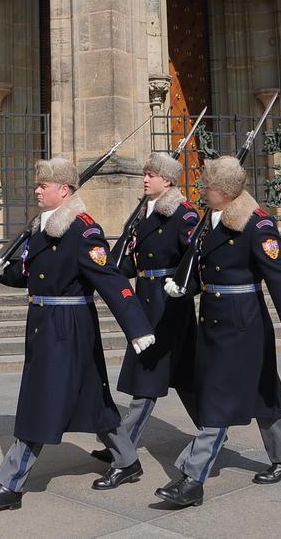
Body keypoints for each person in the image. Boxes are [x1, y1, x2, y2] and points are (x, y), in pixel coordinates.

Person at [0, 157, 157, 512]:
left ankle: (9, 485)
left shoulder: (82, 230)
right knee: (94, 403)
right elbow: (27, 274)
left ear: (64, 190)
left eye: (45, 185)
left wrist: (138, 327)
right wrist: (0, 270)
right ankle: (127, 461)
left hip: (68, 327)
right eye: (38, 184)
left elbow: (111, 280)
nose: (37, 190)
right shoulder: (43, 225)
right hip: (44, 323)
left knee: (39, 403)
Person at [156, 156, 281, 508]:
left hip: (242, 323)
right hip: (213, 318)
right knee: (262, 393)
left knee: (217, 399)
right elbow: (205, 266)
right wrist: (187, 286)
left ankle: (192, 479)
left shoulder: (257, 225)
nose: (201, 190)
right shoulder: (209, 221)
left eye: (207, 186)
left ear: (224, 191)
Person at [87, 152, 201, 468]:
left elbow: (195, 260)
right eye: (145, 173)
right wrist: (103, 272)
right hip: (146, 299)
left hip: (169, 306)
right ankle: (212, 429)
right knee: (185, 378)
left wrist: (184, 287)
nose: (145, 178)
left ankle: (122, 450)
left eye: (151, 174)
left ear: (167, 180)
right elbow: (129, 261)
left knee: (147, 377)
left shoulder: (184, 214)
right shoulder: (142, 214)